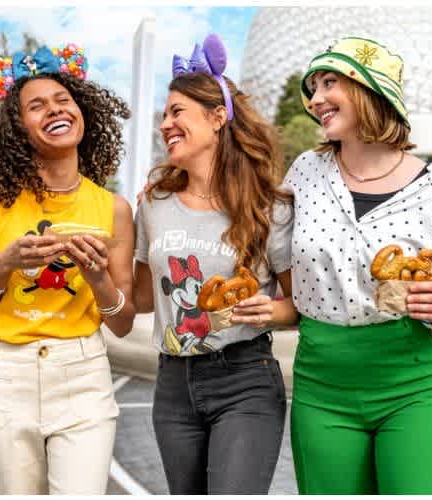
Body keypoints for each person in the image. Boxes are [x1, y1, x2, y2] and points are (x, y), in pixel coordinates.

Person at [281, 37, 432, 494]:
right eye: (313, 87)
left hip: (412, 383)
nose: (315, 99)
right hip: (321, 387)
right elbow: (263, 246)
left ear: (370, 90)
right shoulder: (304, 172)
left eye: (329, 82)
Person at [0, 42, 135, 494]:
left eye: (62, 100)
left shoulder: (113, 209)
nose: (54, 110)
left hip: (83, 376)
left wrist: (97, 278)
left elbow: (125, 323)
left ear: (83, 110)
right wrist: (5, 265)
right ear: (18, 127)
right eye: (36, 106)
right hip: (5, 377)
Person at [132, 33, 295, 494]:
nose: (165, 123)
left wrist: (270, 311)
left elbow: (299, 305)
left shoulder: (270, 205)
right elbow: (142, 299)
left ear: (218, 117)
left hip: (245, 379)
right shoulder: (154, 203)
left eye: (177, 111)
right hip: (172, 385)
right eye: (165, 114)